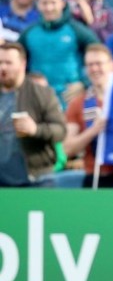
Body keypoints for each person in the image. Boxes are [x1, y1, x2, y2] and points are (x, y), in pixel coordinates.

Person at [63, 44, 113, 188]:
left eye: (99, 64)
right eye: (90, 65)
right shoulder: (78, 104)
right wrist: (93, 130)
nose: (94, 69)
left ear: (112, 66)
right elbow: (67, 148)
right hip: (96, 178)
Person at [18, 0, 99, 108]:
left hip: (70, 101)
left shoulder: (77, 30)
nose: (49, 8)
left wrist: (84, 83)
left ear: (62, 3)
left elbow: (101, 56)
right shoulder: (29, 33)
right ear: (38, 5)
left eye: (53, 2)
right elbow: (15, 62)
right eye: (44, 3)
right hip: (37, 101)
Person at [0, 42, 66, 187]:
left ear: (22, 64)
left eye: (8, 63)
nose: (2, 67)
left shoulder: (42, 94)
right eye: (0, 62)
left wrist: (35, 129)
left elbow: (61, 131)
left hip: (36, 179)